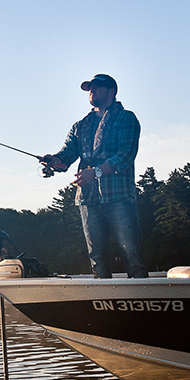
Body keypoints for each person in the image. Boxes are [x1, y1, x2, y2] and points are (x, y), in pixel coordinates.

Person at [39, 73, 149, 278]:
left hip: (119, 196)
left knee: (131, 252)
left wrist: (95, 172)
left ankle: (143, 300)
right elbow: (67, 155)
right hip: (88, 199)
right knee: (97, 256)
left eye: (96, 87)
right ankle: (105, 303)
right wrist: (54, 160)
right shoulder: (80, 126)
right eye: (90, 88)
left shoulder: (126, 118)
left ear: (111, 91)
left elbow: (125, 155)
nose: (91, 91)